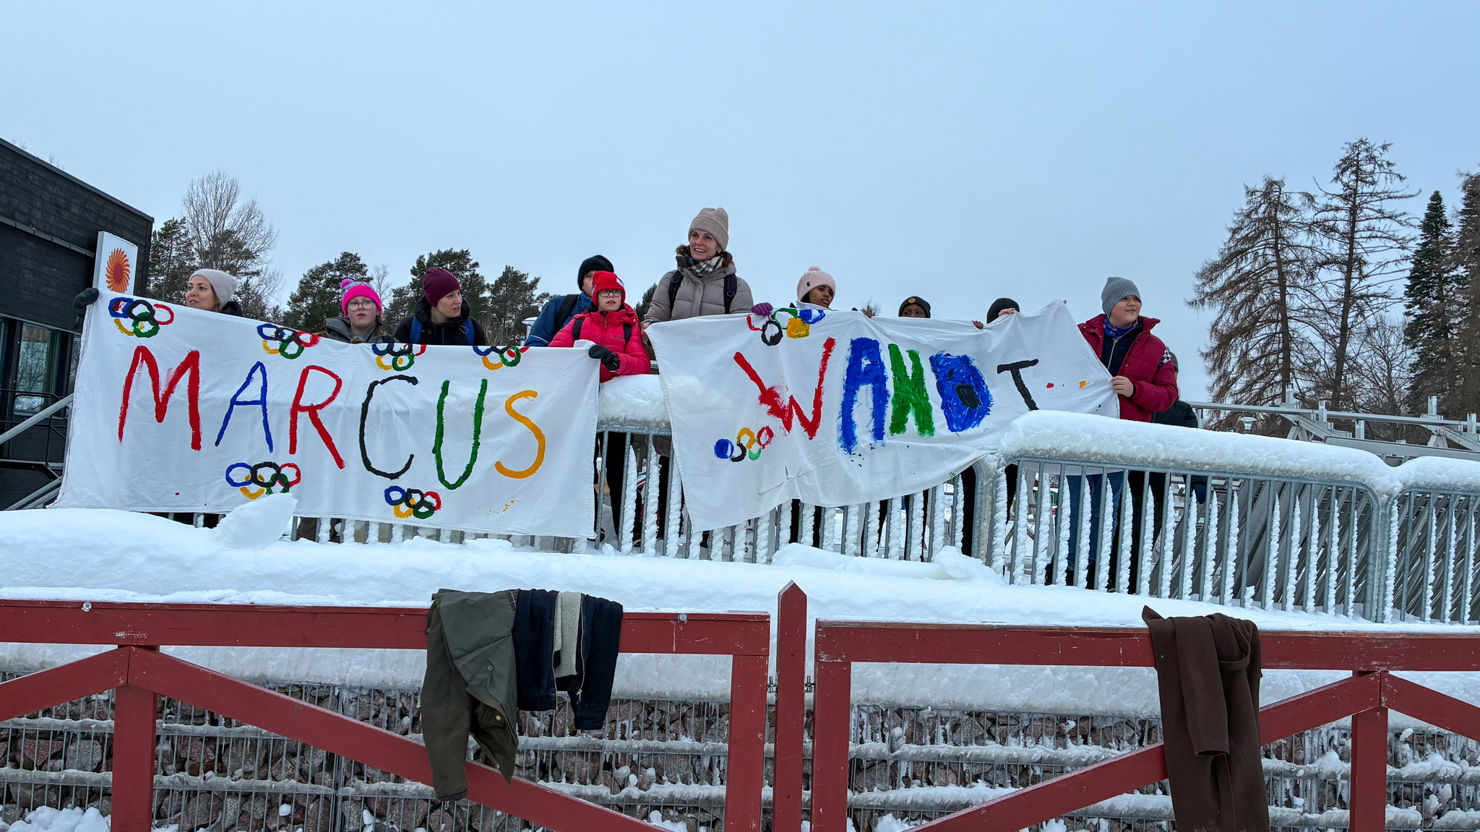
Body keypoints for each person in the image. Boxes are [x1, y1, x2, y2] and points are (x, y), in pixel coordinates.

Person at [641, 208, 754, 542]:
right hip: (675, 384)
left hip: (715, 390)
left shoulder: (737, 286)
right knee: (668, 461)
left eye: (707, 237)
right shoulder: (671, 280)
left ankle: (708, 536)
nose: (699, 242)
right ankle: (662, 531)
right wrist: (650, 330)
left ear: (720, 244)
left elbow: (743, 334)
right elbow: (654, 318)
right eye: (695, 235)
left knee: (710, 463)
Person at [1065, 277, 1179, 589]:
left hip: (1119, 440)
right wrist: (1009, 323)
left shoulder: (1158, 349)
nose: (1132, 304)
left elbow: (1168, 394)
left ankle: (1094, 568)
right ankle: (1071, 564)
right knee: (1075, 504)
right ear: (1108, 306)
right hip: (1081, 435)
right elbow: (1045, 356)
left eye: (1136, 299)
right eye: (1124, 299)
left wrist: (1135, 389)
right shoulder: (1080, 335)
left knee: (1105, 508)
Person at [550, 271, 651, 539]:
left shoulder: (630, 326)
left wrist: (614, 359)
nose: (610, 297)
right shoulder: (578, 323)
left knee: (619, 471)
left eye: (615, 293)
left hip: (616, 409)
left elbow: (641, 363)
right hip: (582, 406)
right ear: (595, 296)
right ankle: (589, 527)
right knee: (583, 467)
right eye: (605, 292)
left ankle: (630, 530)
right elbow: (554, 352)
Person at [526, 255, 611, 347]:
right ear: (582, 284)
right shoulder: (560, 305)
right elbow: (535, 343)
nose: (594, 281)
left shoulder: (621, 314)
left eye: (600, 276)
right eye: (589, 276)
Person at [393, 267, 489, 346]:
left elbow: (484, 364)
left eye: (459, 293)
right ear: (433, 301)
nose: (459, 301)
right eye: (450, 296)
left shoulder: (472, 328)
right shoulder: (410, 328)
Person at [323, 279, 389, 343]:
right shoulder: (323, 342)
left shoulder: (392, 345)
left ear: (377, 310)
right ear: (347, 312)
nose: (360, 307)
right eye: (354, 303)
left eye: (367, 302)